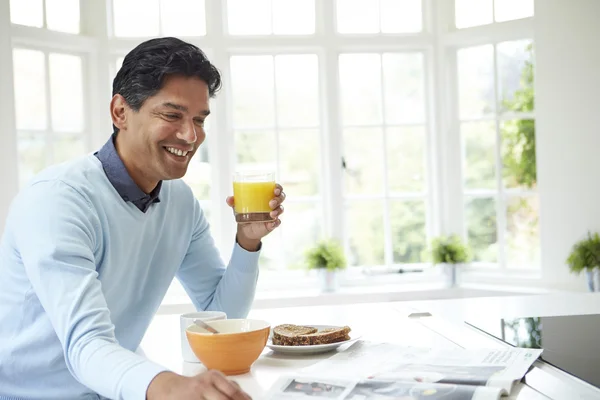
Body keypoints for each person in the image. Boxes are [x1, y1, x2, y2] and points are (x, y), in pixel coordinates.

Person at [0, 37, 285, 399]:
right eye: (172, 115)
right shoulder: (57, 200)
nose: (191, 135)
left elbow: (219, 316)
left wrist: (248, 240)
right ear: (120, 112)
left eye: (199, 119)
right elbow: (85, 344)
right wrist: (168, 386)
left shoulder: (179, 202)